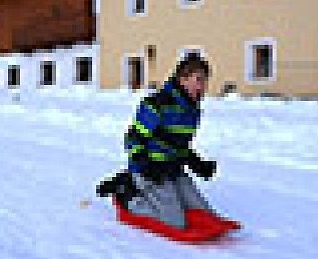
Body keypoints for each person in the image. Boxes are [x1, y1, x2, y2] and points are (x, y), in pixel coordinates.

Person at [97, 52, 235, 231]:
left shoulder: (192, 111)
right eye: (198, 80)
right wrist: (143, 163)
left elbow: (178, 144)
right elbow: (133, 138)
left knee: (202, 211)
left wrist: (197, 163)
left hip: (171, 169)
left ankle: (156, 192)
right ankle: (127, 193)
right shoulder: (156, 104)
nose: (203, 86)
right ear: (182, 79)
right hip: (149, 170)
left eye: (205, 81)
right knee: (175, 222)